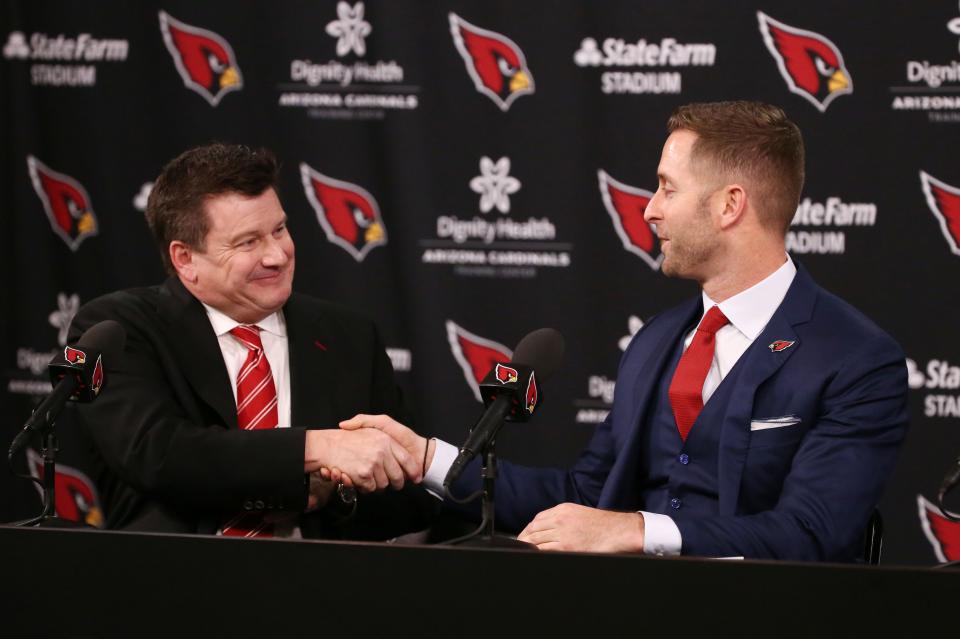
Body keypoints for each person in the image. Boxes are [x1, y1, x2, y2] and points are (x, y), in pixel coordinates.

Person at [342, 101, 910, 561]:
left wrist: (638, 532)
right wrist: (427, 459)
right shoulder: (656, 341)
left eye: (667, 187)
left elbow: (812, 533)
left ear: (730, 205)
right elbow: (586, 499)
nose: (649, 211)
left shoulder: (856, 358)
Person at [68, 143, 434, 539]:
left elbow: (407, 497)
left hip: (317, 589)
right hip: (173, 585)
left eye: (279, 229)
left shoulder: (349, 336)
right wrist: (314, 450)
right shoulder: (120, 328)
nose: (277, 255)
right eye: (248, 242)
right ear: (185, 259)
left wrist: (338, 493)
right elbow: (159, 454)